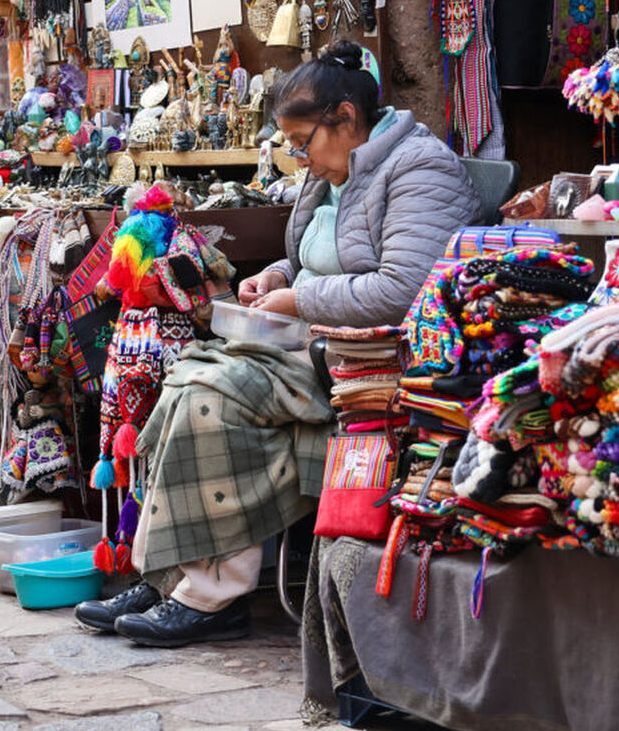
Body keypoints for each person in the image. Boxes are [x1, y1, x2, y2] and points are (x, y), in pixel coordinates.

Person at [74, 40, 480, 646]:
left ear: (345, 119)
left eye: (303, 143)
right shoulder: (336, 172)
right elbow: (307, 260)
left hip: (367, 360)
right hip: (307, 343)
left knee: (212, 394)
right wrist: (279, 278)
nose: (301, 160)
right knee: (183, 375)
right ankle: (168, 577)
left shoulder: (419, 169)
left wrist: (299, 300)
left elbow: (405, 289)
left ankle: (214, 596)